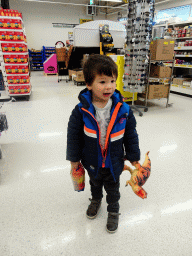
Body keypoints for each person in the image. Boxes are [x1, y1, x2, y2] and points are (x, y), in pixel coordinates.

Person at [66, 54, 140, 233]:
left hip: (114, 160)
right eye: (102, 82)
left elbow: (131, 134)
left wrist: (133, 157)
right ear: (89, 84)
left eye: (112, 81)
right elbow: (73, 136)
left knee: (113, 190)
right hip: (91, 159)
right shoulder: (81, 110)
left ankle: (113, 211)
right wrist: (74, 159)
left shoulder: (123, 109)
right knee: (95, 184)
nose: (109, 86)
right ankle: (96, 200)